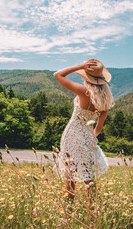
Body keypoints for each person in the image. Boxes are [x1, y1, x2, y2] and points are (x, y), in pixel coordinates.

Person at [53, 58, 114, 199]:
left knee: (70, 173)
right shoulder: (104, 102)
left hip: (72, 134)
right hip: (88, 137)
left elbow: (57, 75)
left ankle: (69, 207)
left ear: (87, 77)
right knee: (89, 176)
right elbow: (99, 128)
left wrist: (79, 66)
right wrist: (89, 136)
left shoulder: (82, 91)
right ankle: (92, 207)